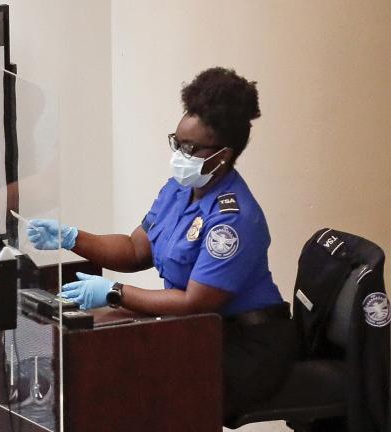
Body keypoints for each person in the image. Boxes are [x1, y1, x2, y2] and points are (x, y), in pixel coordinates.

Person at [27, 67, 298, 420]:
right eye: (177, 142)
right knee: (99, 334)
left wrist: (114, 291)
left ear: (224, 155)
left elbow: (194, 303)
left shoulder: (232, 219)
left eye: (191, 147)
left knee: (132, 378)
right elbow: (136, 249)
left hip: (245, 346)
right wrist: (72, 238)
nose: (180, 155)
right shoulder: (179, 189)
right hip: (200, 331)